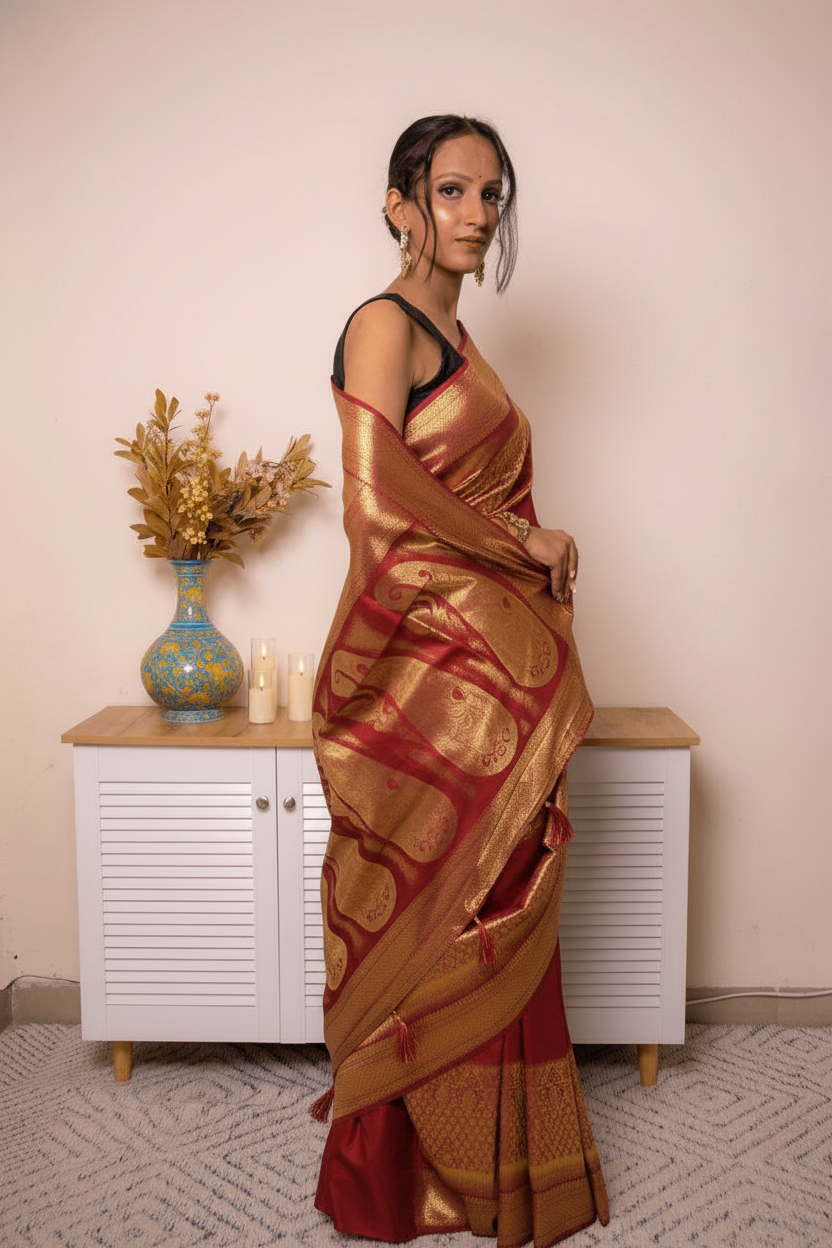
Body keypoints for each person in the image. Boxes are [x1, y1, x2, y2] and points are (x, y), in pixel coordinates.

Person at [310, 114, 610, 1247]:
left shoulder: (459, 333)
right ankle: (400, 1167)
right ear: (399, 202)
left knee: (498, 893)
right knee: (429, 900)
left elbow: (475, 499)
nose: (477, 215)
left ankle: (498, 1168)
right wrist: (514, 548)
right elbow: (374, 498)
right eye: (451, 191)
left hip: (489, 658)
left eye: (492, 194)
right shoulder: (383, 322)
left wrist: (533, 546)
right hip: (417, 664)